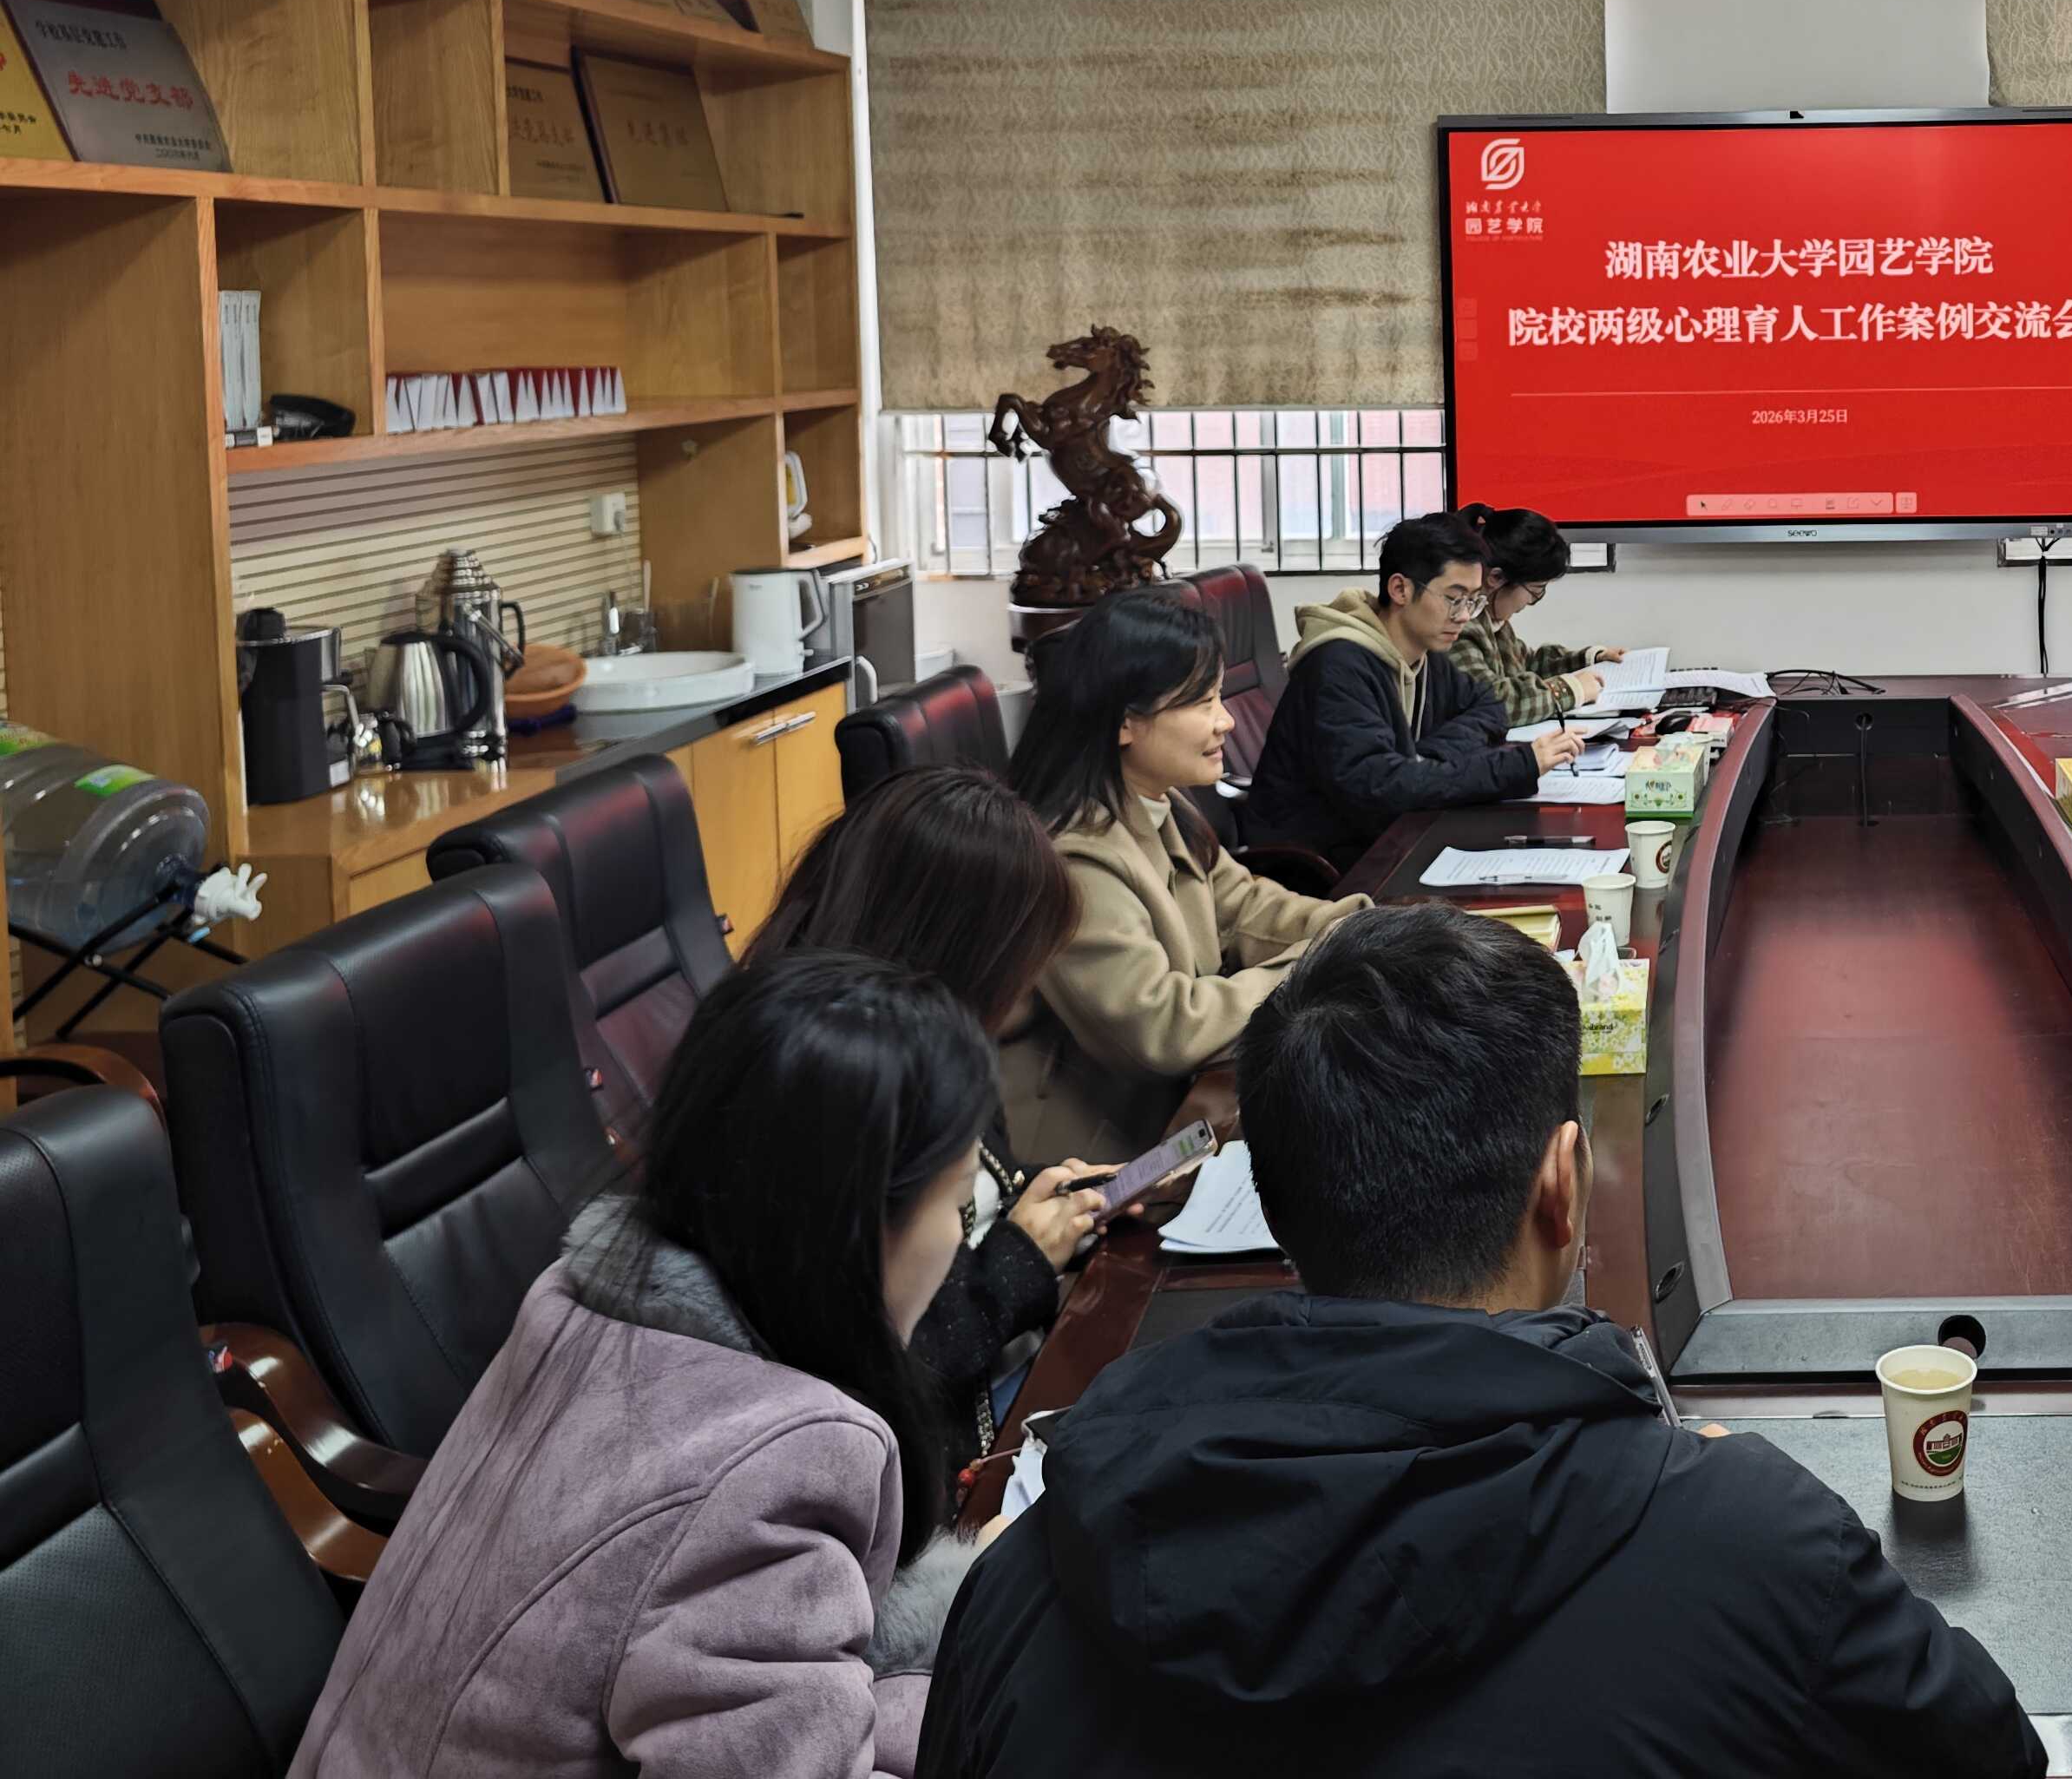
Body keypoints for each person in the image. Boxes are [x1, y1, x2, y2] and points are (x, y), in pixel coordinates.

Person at [920, 903, 2045, 1779]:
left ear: (1276, 1201)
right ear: (1564, 1184)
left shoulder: (1025, 1580)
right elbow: (1991, 1754)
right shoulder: (1754, 1541)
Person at [292, 952, 998, 1779]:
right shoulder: (778, 1467)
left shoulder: (579, 1305)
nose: (957, 1239)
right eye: (957, 1203)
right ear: (859, 1224)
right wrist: (981, 1668)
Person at [759, 765, 1113, 1460]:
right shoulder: (825, 1095)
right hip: (939, 1450)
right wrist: (1022, 1260)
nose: (1025, 989)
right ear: (953, 948)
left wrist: (1057, 1204)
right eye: (1014, 966)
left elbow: (978, 1191)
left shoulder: (924, 1041)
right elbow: (877, 1368)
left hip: (997, 1369)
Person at [1006, 588, 1375, 1166]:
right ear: (1125, 722)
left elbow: (1246, 907)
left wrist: (1365, 925)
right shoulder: (1073, 857)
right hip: (1104, 1153)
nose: (1227, 720)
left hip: (1182, 1108)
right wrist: (1322, 961)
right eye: (1203, 702)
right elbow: (1165, 1029)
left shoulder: (1157, 802)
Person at [1243, 510, 1582, 870]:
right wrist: (1518, 766)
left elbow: (1489, 706)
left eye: (1473, 601)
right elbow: (1382, 788)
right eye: (1454, 598)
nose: (1464, 616)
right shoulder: (1338, 668)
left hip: (1396, 839)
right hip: (1327, 868)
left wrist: (1424, 758)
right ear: (1400, 589)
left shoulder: (1424, 654)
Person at [1449, 501, 1630, 725]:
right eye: (1535, 591)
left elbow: (1529, 664)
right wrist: (1569, 690)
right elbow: (1492, 703)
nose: (1532, 602)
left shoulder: (1494, 622)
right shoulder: (1459, 627)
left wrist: (1591, 659)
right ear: (1496, 578)